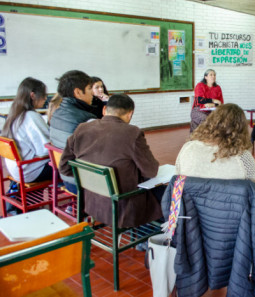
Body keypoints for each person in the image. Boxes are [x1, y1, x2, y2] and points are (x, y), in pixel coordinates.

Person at [59, 94, 163, 228]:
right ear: (130, 114)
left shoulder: (82, 129)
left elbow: (64, 167)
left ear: (104, 110)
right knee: (166, 192)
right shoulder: (132, 133)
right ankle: (149, 236)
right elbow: (151, 171)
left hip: (91, 202)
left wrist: (91, 179)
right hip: (122, 206)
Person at [176, 103, 255, 187]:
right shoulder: (243, 158)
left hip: (191, 202)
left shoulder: (187, 148)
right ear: (241, 130)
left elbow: (178, 177)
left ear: (210, 122)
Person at [50, 70, 96, 193]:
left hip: (66, 178)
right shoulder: (86, 120)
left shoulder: (56, 114)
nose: (93, 93)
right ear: (78, 92)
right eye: (90, 88)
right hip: (83, 183)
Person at [2, 77, 53, 183]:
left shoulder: (15, 113)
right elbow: (45, 150)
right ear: (33, 95)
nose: (45, 98)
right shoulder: (31, 116)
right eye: (44, 95)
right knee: (69, 167)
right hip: (30, 172)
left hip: (16, 169)